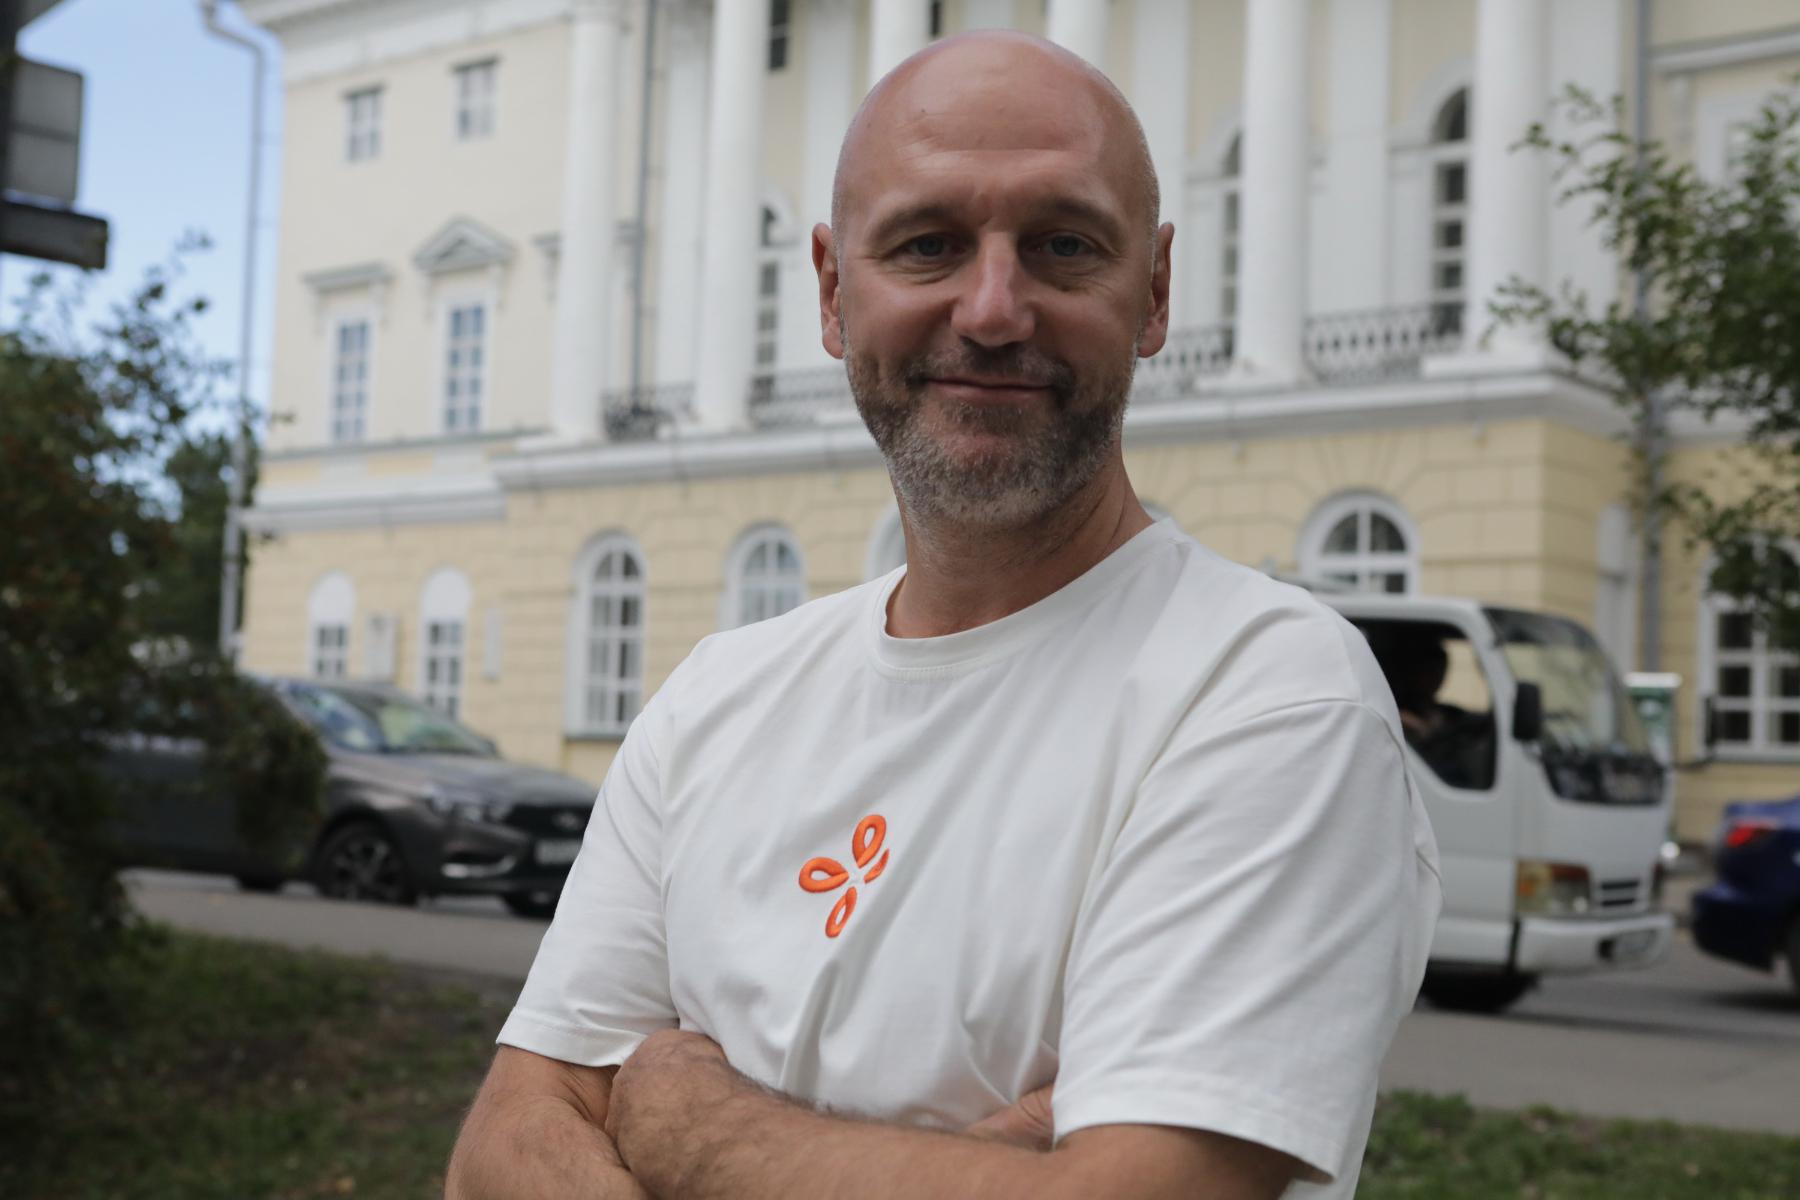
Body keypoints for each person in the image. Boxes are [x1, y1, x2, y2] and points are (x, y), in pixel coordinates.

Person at [446, 31, 1439, 1200]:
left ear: (1155, 291)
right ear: (832, 291)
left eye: (1064, 246)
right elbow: (502, 1150)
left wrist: (687, 1123)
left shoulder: (1268, 694)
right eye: (928, 245)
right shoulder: (716, 699)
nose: (994, 308)